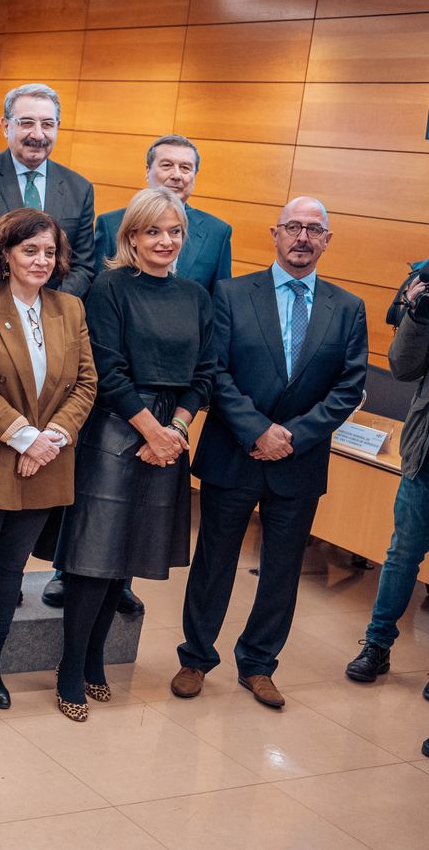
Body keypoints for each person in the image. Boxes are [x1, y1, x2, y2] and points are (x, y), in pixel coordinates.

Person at [173, 197, 366, 709]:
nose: (303, 237)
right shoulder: (231, 293)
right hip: (233, 452)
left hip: (299, 463)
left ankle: (259, 664)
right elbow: (214, 370)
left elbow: (348, 388)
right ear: (275, 234)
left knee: (282, 571)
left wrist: (292, 437)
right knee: (213, 562)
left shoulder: (348, 308)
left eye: (314, 229)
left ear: (327, 240)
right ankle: (195, 658)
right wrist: (258, 430)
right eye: (293, 227)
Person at [52, 186, 215, 722]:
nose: (165, 241)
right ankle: (70, 668)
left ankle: (95, 659)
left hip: (170, 433)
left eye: (174, 232)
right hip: (115, 430)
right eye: (153, 231)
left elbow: (206, 373)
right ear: (132, 237)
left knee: (125, 562)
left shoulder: (195, 295)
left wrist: (176, 429)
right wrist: (151, 430)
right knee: (95, 558)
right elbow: (107, 368)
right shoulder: (110, 286)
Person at [0, 209, 96, 712]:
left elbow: (86, 383)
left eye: (50, 252)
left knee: (11, 570)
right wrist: (25, 438)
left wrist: (50, 439)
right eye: (30, 250)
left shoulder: (70, 308)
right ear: (5, 254)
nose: (41, 260)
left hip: (48, 460)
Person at [348, 262, 429, 699]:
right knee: (401, 556)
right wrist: (418, 314)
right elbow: (402, 366)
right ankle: (377, 646)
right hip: (426, 456)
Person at [0, 83, 95, 296]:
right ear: (5, 126)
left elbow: (83, 266)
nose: (38, 134)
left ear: (57, 127)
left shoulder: (80, 188)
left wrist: (47, 304)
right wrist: (4, 301)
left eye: (47, 124)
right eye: (27, 123)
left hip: (53, 309)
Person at [93, 135, 231, 292]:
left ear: (194, 176)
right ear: (148, 171)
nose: (176, 175)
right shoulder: (111, 224)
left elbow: (220, 298)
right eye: (167, 166)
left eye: (185, 168)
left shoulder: (217, 232)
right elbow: (99, 290)